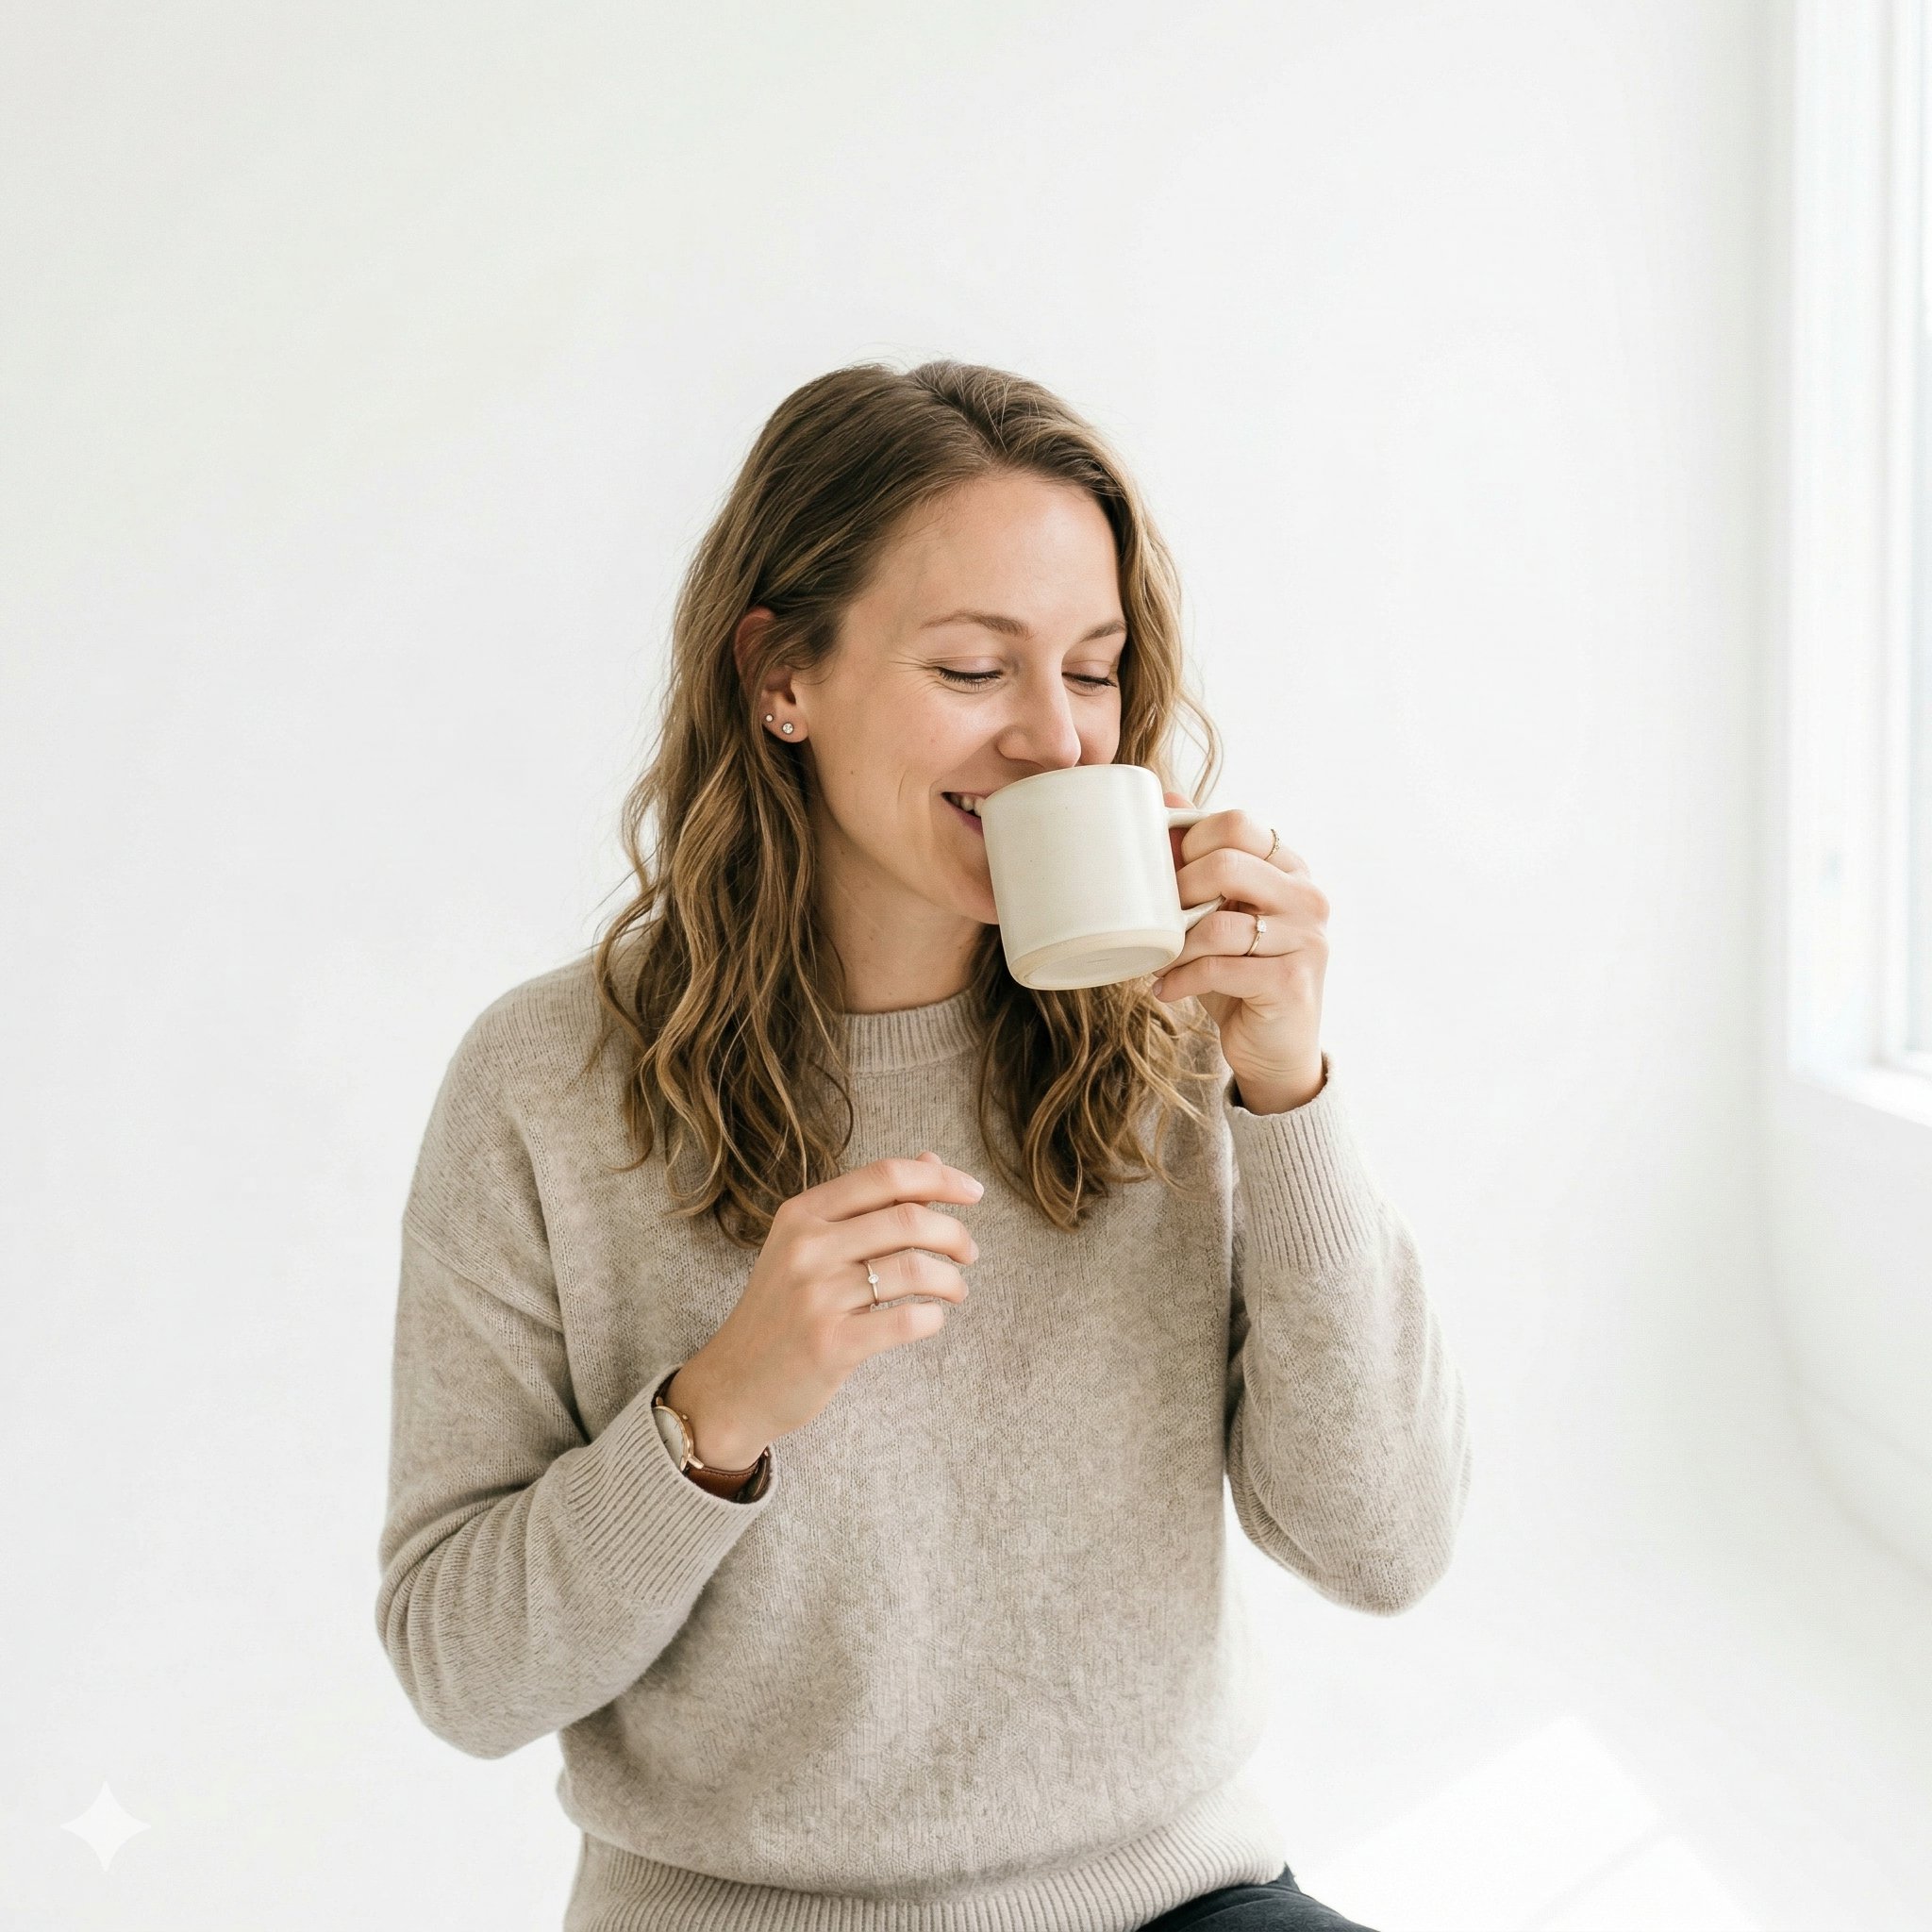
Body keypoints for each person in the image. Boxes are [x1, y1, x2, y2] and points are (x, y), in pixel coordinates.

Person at [374, 358, 1472, 1932]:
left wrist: (1288, 1090)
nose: (1056, 738)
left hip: (1174, 1898)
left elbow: (1387, 1547)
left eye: (1093, 670)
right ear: (782, 678)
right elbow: (462, 1673)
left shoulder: (1181, 1035)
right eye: (972, 669)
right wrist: (717, 1414)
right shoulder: (545, 1085)